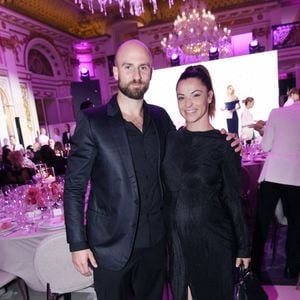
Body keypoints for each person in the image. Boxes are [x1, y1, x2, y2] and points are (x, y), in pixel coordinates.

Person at [64, 39, 241, 300]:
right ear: (115, 72)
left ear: (151, 72)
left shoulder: (160, 118)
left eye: (143, 67)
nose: (136, 75)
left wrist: (223, 141)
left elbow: (189, 147)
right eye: (128, 67)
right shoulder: (93, 122)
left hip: (157, 244)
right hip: (111, 246)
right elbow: (75, 186)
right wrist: (78, 243)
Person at [162, 65, 250, 300]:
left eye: (196, 95)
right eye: (181, 97)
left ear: (209, 96)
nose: (188, 104)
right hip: (178, 242)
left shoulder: (224, 146)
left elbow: (233, 198)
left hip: (213, 240)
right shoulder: (170, 139)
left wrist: (244, 247)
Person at [251, 87, 300, 280]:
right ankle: (293, 267)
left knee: (262, 222)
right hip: (296, 176)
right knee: (296, 224)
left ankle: (254, 266)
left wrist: (264, 130)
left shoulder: (277, 113)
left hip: (274, 174)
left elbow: (266, 146)